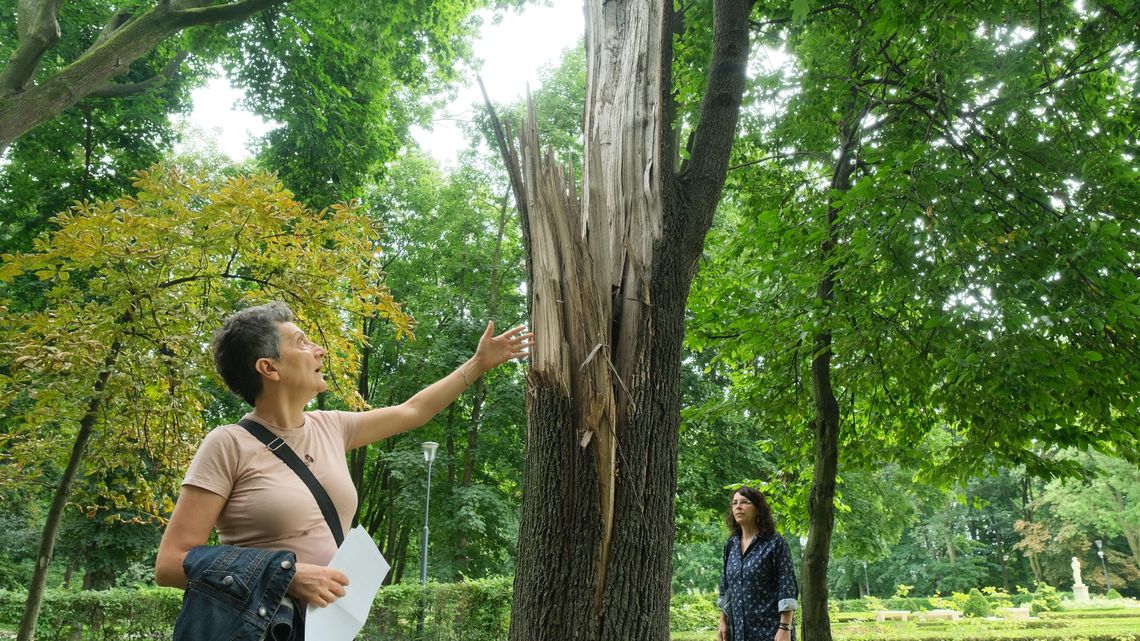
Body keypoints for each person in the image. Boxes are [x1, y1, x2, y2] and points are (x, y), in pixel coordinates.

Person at [155, 301, 532, 639]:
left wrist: (479, 362)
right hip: (259, 629)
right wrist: (286, 574)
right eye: (302, 343)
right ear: (269, 368)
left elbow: (414, 411)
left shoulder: (331, 427)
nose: (319, 349)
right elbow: (171, 563)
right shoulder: (227, 444)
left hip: (326, 631)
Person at [718, 486, 798, 641]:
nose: (738, 507)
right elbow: (726, 588)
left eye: (744, 502)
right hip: (739, 634)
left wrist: (785, 628)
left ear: (758, 509)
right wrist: (723, 621)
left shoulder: (775, 544)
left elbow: (786, 587)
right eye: (734, 503)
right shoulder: (730, 546)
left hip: (771, 632)